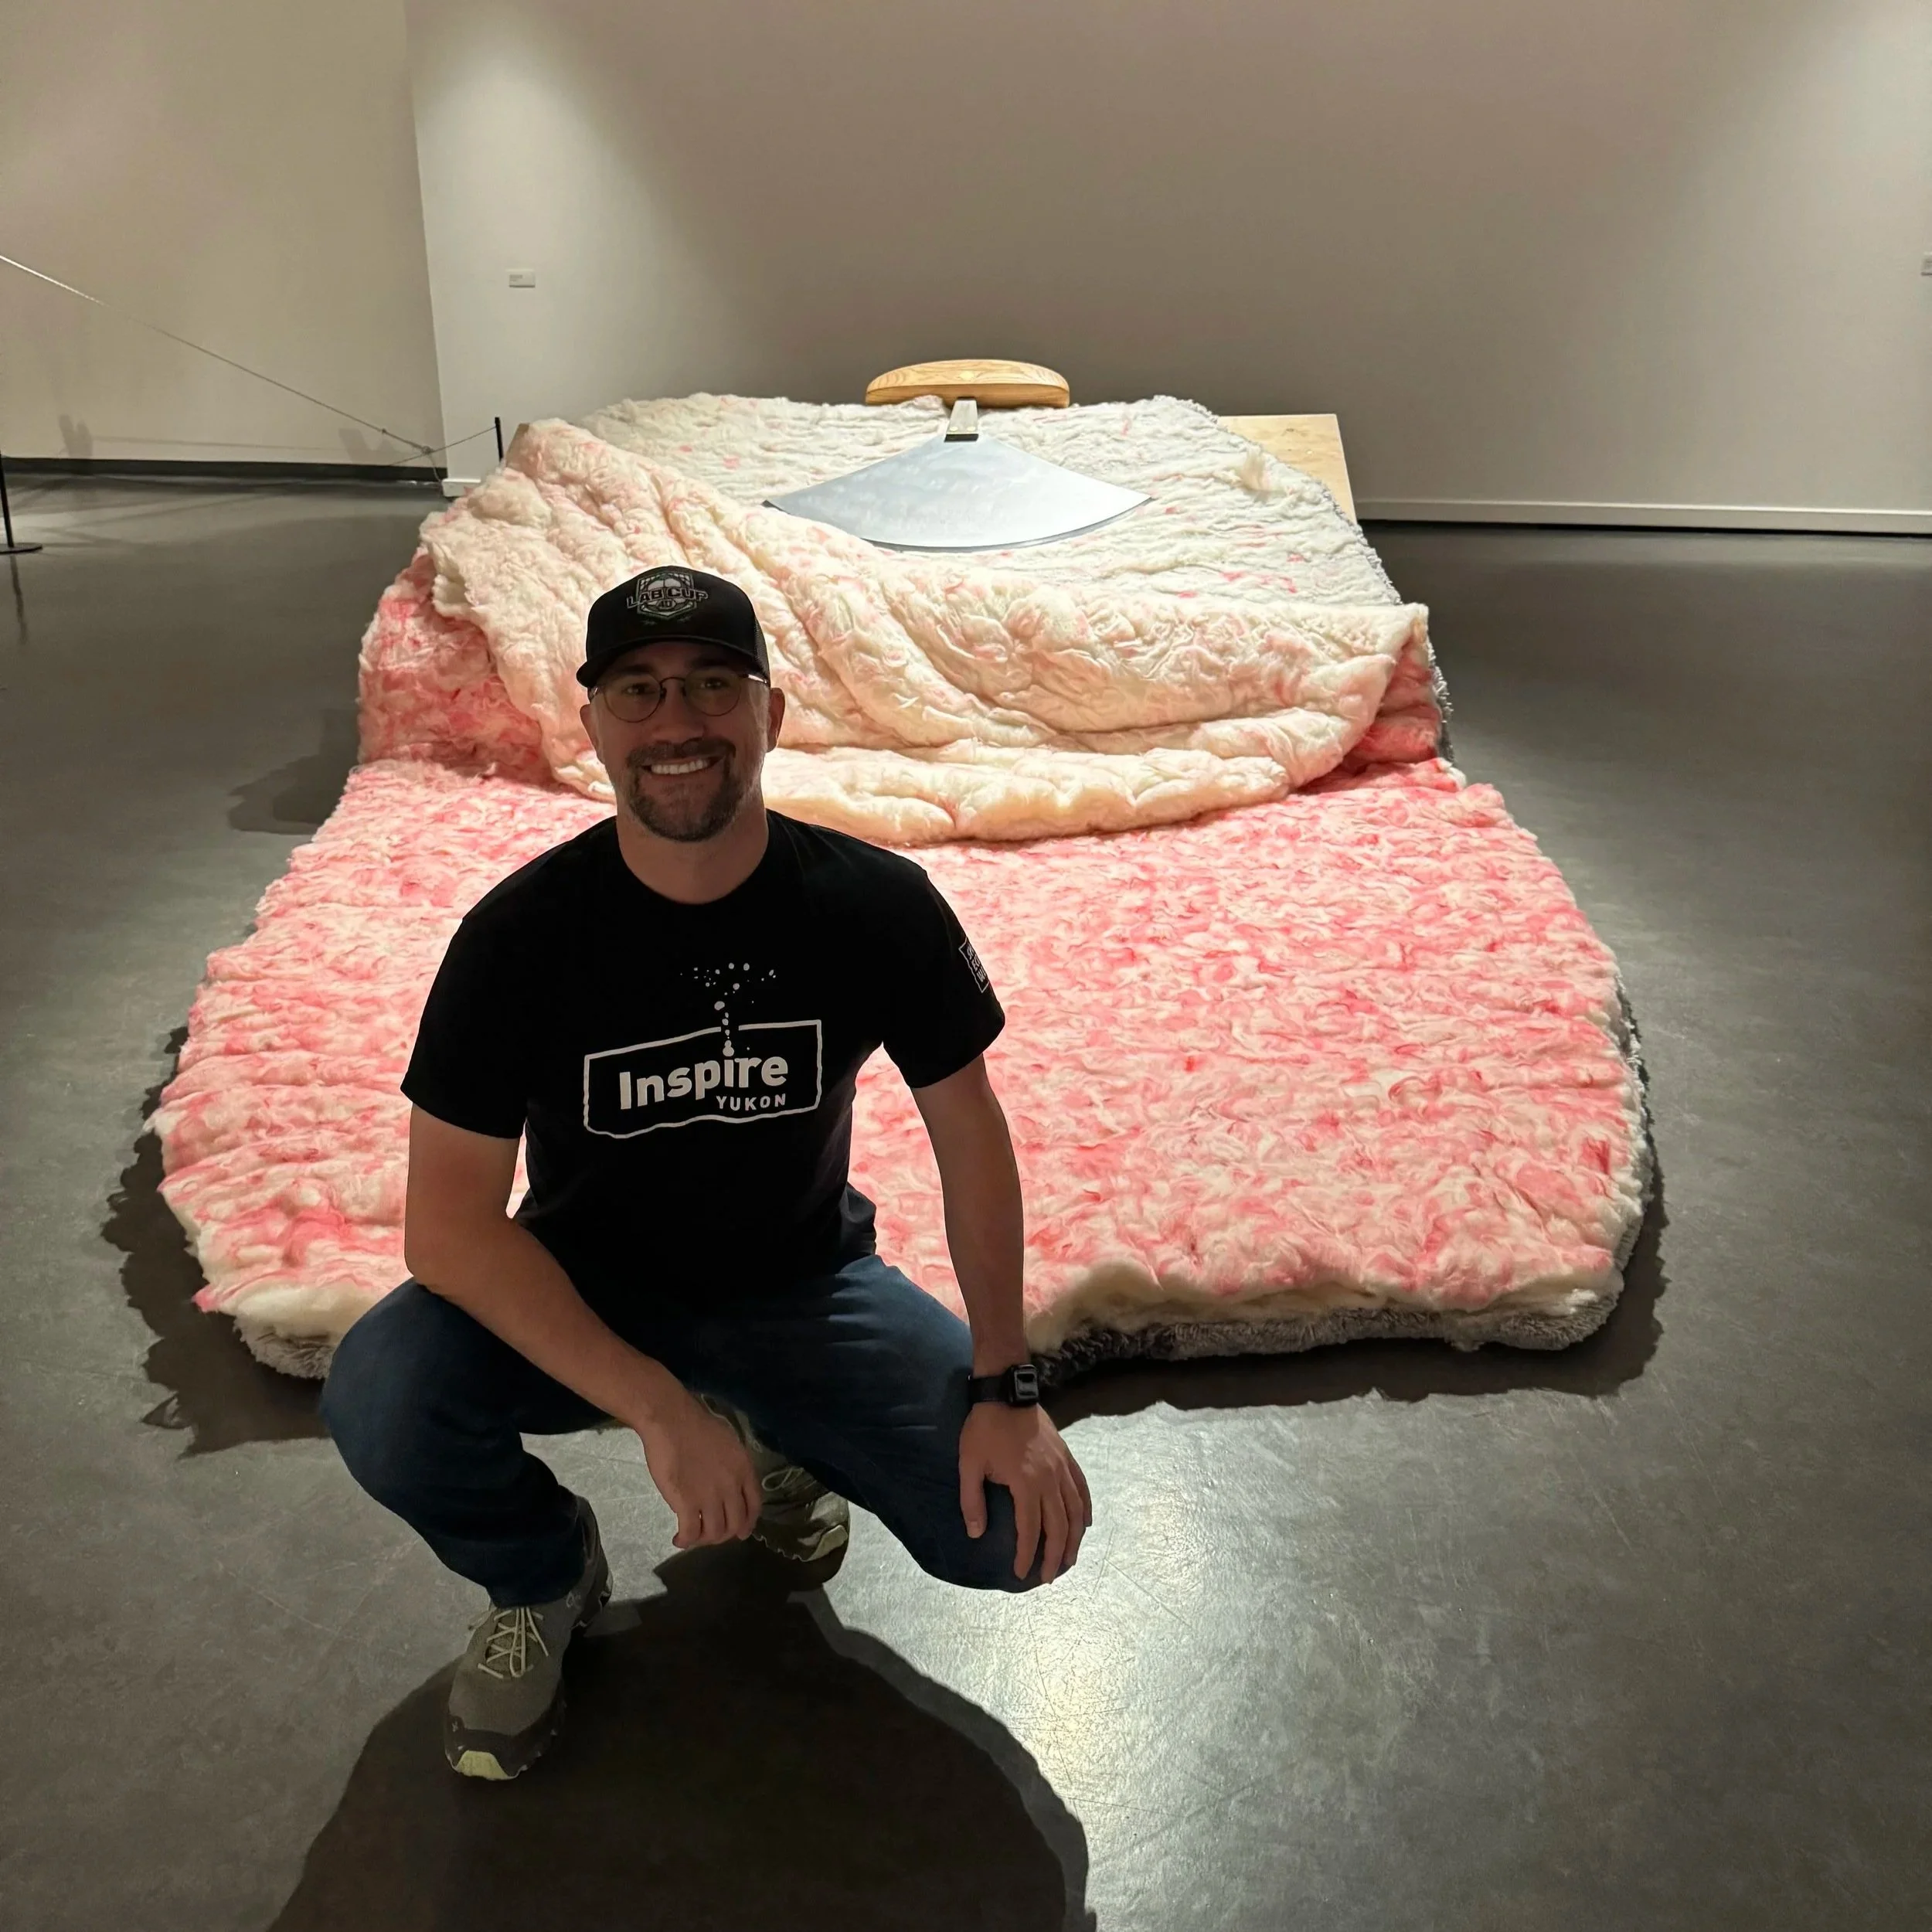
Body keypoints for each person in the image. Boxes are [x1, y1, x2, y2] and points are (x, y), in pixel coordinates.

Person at [322, 563, 1093, 1781]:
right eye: (638, 691)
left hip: (803, 1286)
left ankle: (776, 1429)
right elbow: (450, 1233)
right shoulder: (517, 940)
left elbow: (972, 1135)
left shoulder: (876, 905)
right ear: (593, 726)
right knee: (381, 1392)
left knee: (1014, 1532)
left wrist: (1008, 1382)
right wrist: (660, 1409)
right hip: (588, 1290)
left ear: (770, 714)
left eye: (712, 686)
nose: (676, 721)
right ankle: (541, 1576)